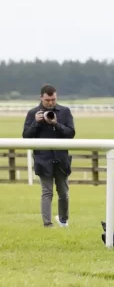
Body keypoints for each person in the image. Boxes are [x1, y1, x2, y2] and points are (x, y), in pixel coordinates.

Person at [22, 84, 76, 227]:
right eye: (47, 100)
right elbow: (26, 136)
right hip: (43, 159)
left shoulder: (64, 112)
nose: (51, 103)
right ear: (41, 98)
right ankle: (47, 224)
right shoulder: (33, 113)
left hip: (61, 158)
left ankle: (63, 220)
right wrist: (36, 123)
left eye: (53, 99)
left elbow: (70, 134)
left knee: (63, 193)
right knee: (47, 192)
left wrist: (56, 124)